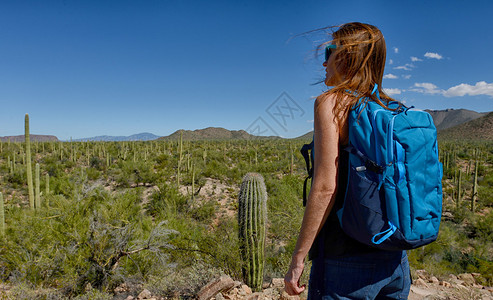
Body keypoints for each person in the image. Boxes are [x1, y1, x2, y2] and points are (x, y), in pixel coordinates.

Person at [284, 22, 411, 299]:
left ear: (348, 56)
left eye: (330, 51)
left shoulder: (331, 102)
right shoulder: (390, 108)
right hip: (395, 259)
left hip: (344, 262)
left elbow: (325, 187)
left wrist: (297, 260)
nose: (325, 63)